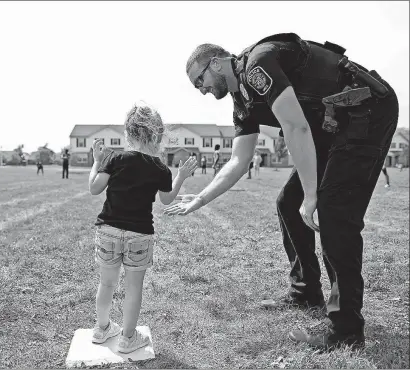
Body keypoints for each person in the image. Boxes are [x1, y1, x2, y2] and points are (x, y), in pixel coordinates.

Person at [165, 33, 399, 351]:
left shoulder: (258, 65)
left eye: (200, 80)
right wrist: (201, 197)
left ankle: (345, 330)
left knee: (334, 209)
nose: (202, 89)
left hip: (367, 109)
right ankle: (306, 292)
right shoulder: (242, 103)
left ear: (216, 63)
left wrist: (312, 195)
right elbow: (238, 160)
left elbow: (296, 127)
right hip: (334, 123)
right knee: (289, 203)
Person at [88, 102, 197, 353]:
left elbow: (94, 188)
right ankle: (127, 338)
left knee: (106, 284)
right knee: (133, 288)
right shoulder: (160, 167)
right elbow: (167, 200)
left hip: (108, 230)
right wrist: (180, 176)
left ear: (128, 133)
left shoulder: (114, 158)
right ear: (157, 135)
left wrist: (97, 161)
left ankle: (101, 328)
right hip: (140, 234)